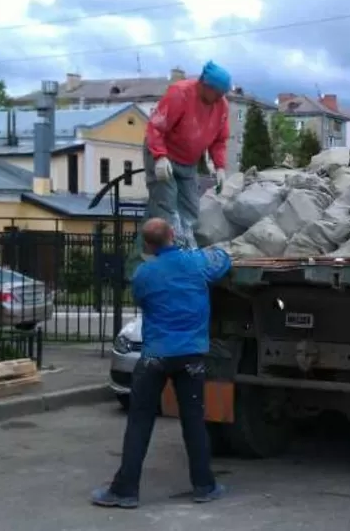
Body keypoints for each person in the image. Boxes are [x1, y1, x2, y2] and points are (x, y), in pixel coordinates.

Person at [91, 218, 232, 509]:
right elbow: (222, 262)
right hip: (191, 356)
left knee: (140, 422)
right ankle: (204, 485)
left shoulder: (144, 274)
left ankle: (125, 491)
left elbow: (143, 301)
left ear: (147, 244)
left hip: (155, 356)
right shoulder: (196, 263)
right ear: (173, 236)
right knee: (194, 422)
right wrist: (220, 251)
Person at [132, 60, 232, 270]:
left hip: (188, 161)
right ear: (204, 85)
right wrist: (159, 156)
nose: (219, 97)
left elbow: (219, 140)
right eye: (217, 92)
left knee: (190, 210)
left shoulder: (221, 105)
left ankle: (181, 249)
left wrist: (220, 167)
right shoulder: (180, 93)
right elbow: (156, 127)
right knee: (168, 208)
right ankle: (176, 258)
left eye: (222, 93)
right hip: (163, 154)